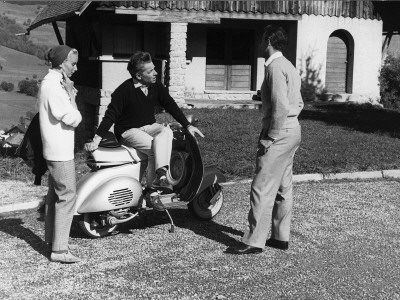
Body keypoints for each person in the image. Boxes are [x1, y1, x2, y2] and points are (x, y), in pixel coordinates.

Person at [229, 25, 304, 254]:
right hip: (293, 130)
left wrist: (270, 136)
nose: (261, 44)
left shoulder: (274, 67)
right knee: (283, 185)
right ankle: (280, 237)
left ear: (268, 40)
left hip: (279, 132)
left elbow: (281, 106)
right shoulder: (288, 65)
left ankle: (253, 241)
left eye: (262, 40)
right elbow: (295, 101)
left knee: (261, 186)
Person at [84, 51, 204, 194]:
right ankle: (151, 190)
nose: (156, 73)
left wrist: (187, 125)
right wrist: (96, 140)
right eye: (151, 71)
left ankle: (161, 174)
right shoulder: (123, 91)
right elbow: (110, 116)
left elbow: (170, 104)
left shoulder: (155, 85)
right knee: (155, 148)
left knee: (166, 131)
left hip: (149, 126)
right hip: (128, 131)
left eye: (154, 69)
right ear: (139, 76)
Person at [37, 45, 82, 263]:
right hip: (60, 151)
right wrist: (72, 96)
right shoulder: (54, 86)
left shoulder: (53, 82)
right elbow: (73, 118)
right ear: (62, 62)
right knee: (67, 196)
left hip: (56, 148)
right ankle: (60, 250)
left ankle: (54, 242)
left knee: (56, 195)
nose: (75, 67)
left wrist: (69, 90)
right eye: (73, 63)